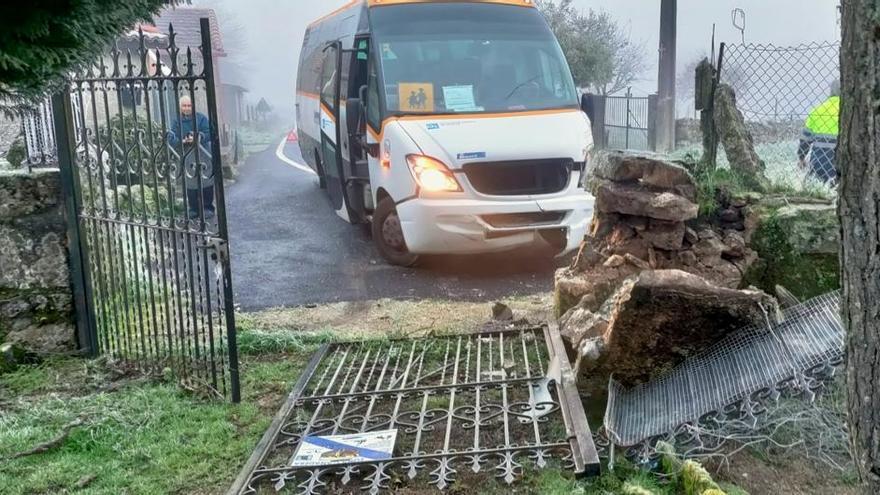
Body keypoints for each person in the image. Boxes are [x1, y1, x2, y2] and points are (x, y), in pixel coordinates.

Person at [167, 95, 215, 219]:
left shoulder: (201, 118)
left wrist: (198, 137)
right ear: (180, 107)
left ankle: (207, 207)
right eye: (184, 106)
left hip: (202, 152)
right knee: (190, 181)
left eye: (189, 105)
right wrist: (182, 141)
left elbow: (209, 131)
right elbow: (172, 137)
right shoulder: (177, 121)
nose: (187, 108)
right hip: (187, 154)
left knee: (206, 180)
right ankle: (193, 208)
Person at [798, 81, 840, 183]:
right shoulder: (851, 111)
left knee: (812, 186)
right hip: (839, 163)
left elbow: (805, 139)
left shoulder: (817, 110)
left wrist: (801, 157)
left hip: (818, 163)